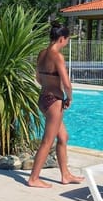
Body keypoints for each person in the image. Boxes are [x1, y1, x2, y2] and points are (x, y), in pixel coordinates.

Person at [27, 21, 84, 188]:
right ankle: (34, 178)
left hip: (43, 99)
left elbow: (38, 77)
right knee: (47, 141)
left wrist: (49, 85)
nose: (66, 43)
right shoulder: (57, 56)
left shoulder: (41, 54)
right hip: (54, 102)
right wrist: (69, 98)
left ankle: (65, 175)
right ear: (61, 38)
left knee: (63, 137)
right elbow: (66, 83)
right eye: (67, 40)